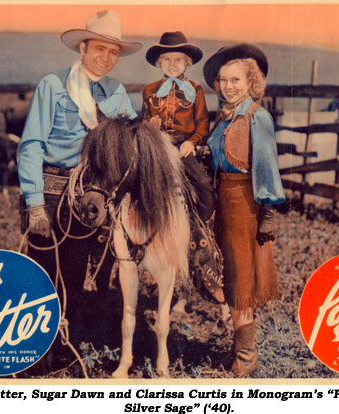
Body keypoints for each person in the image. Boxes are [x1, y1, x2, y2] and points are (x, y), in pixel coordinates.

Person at [16, 10, 141, 347]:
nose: (107, 57)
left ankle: (67, 343)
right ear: (83, 48)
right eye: (100, 49)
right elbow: (31, 146)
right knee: (43, 274)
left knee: (76, 274)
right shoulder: (53, 85)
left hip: (92, 198)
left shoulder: (116, 92)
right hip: (53, 192)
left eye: (114, 52)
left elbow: (134, 135)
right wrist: (35, 204)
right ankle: (34, 346)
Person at [203, 44, 285, 377]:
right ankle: (240, 348)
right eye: (223, 80)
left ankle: (248, 356)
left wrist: (267, 213)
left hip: (244, 203)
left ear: (251, 81)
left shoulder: (256, 116)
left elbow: (266, 165)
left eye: (235, 79)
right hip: (220, 198)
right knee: (227, 272)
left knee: (241, 277)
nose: (228, 86)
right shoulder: (225, 117)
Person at [142, 31, 215, 223]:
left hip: (184, 147)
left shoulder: (195, 89)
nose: (173, 65)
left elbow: (203, 124)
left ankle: (199, 228)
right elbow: (144, 121)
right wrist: (150, 126)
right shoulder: (150, 91)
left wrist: (192, 142)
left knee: (203, 186)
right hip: (158, 147)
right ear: (159, 62)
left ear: (188, 62)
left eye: (178, 60)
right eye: (167, 59)